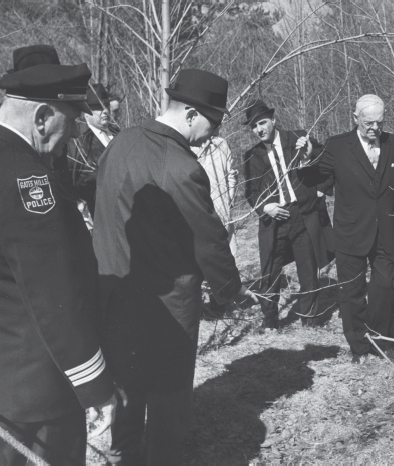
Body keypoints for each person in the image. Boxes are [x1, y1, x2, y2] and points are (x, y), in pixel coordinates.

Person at [93, 69, 255, 465]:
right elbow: (208, 237)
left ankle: (125, 455)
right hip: (167, 299)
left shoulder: (121, 142)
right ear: (191, 114)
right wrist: (231, 289)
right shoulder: (180, 165)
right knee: (169, 391)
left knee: (128, 383)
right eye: (212, 123)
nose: (212, 134)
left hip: (114, 289)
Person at [0, 45, 116, 465]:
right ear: (42, 118)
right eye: (70, 123)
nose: (70, 137)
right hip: (41, 391)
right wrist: (95, 385)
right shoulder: (25, 176)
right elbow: (53, 292)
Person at [299, 94, 394, 363]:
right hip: (350, 233)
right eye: (368, 123)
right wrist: (304, 160)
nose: (374, 128)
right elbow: (315, 178)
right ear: (355, 119)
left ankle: (380, 341)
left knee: (384, 288)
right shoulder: (338, 146)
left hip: (387, 231)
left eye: (379, 122)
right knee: (351, 293)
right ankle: (358, 346)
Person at [243, 100, 334, 329]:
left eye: (262, 123)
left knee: (308, 270)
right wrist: (265, 207)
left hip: (301, 215)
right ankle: (270, 321)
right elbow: (251, 193)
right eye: (254, 126)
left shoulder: (298, 138)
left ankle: (309, 321)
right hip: (273, 219)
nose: (259, 129)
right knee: (269, 272)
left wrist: (319, 185)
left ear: (273, 120)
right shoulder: (251, 156)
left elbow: (328, 163)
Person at [69, 82, 119, 217]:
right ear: (86, 113)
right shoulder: (77, 141)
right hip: (93, 212)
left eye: (106, 106)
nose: (105, 112)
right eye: (98, 108)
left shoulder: (119, 134)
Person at [193, 129, 238, 255]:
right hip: (202, 222)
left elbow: (231, 176)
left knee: (230, 262)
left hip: (225, 217)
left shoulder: (222, 143)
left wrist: (229, 199)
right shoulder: (188, 147)